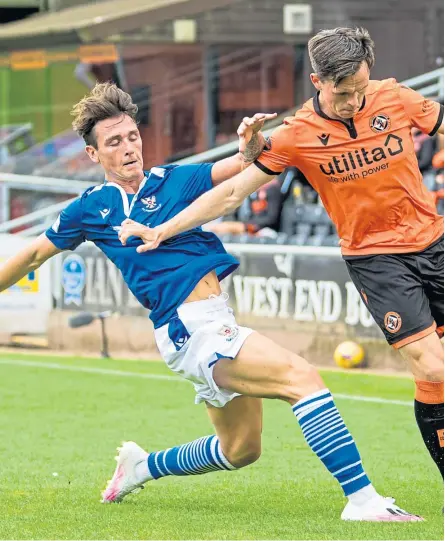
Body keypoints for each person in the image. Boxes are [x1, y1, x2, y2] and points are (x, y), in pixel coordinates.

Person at [0, 83, 421, 522]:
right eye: (113, 142)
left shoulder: (172, 179)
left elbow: (242, 164)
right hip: (190, 329)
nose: (128, 148)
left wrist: (250, 143)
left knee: (241, 450)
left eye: (131, 136)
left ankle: (142, 466)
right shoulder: (90, 209)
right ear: (93, 155)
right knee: (303, 378)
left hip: (213, 320)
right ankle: (364, 501)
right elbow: (32, 255)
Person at [122, 27, 445, 492]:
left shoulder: (395, 97)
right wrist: (164, 228)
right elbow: (231, 191)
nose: (355, 101)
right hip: (375, 259)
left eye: (361, 88)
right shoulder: (297, 134)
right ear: (317, 81)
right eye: (343, 93)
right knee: (432, 367)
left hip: (434, 242)